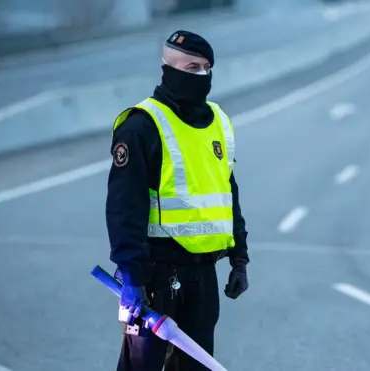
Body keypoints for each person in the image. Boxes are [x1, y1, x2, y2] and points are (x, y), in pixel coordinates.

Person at [105, 30, 250, 370]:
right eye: (191, 67)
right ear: (167, 68)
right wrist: (132, 276)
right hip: (156, 276)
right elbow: (124, 207)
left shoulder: (218, 122)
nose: (200, 75)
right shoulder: (142, 125)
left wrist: (239, 258)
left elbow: (228, 193)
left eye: (205, 68)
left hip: (203, 276)